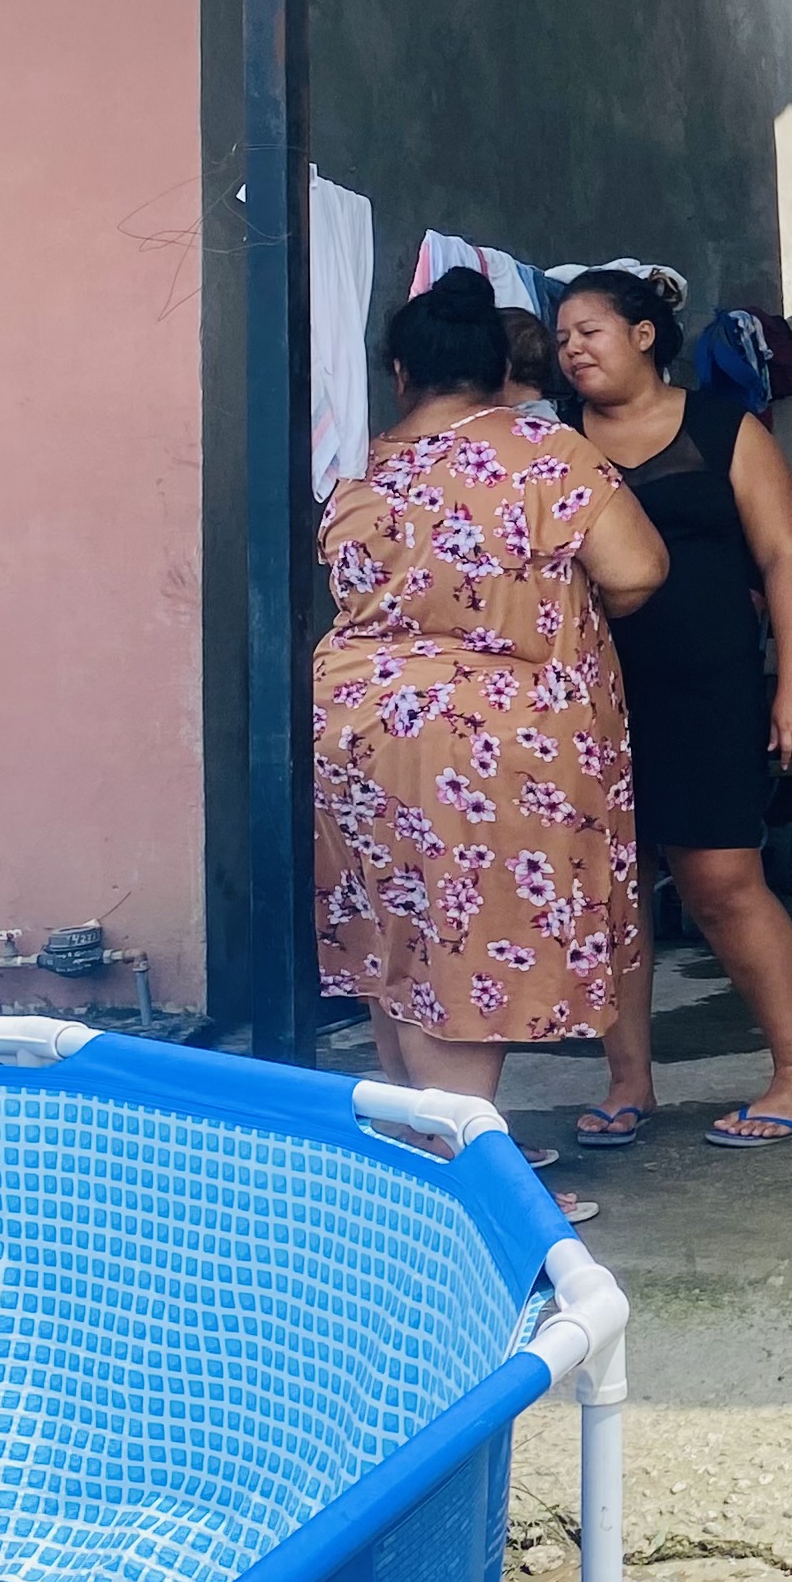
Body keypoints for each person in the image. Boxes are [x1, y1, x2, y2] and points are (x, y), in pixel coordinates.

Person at [314, 267, 670, 1225]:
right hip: (486, 745)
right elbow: (638, 570)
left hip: (357, 734)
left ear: (400, 373)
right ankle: (470, 1192)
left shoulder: (363, 466)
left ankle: (420, 1157)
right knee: (470, 951)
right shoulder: (541, 452)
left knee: (399, 942)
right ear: (499, 370)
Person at [556, 266, 792, 1150]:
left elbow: (785, 558)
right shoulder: (554, 437)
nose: (572, 350)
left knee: (721, 882)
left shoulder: (725, 429)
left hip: (708, 687)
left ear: (644, 334)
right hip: (589, 697)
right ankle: (628, 1082)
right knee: (614, 890)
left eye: (590, 331)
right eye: (562, 338)